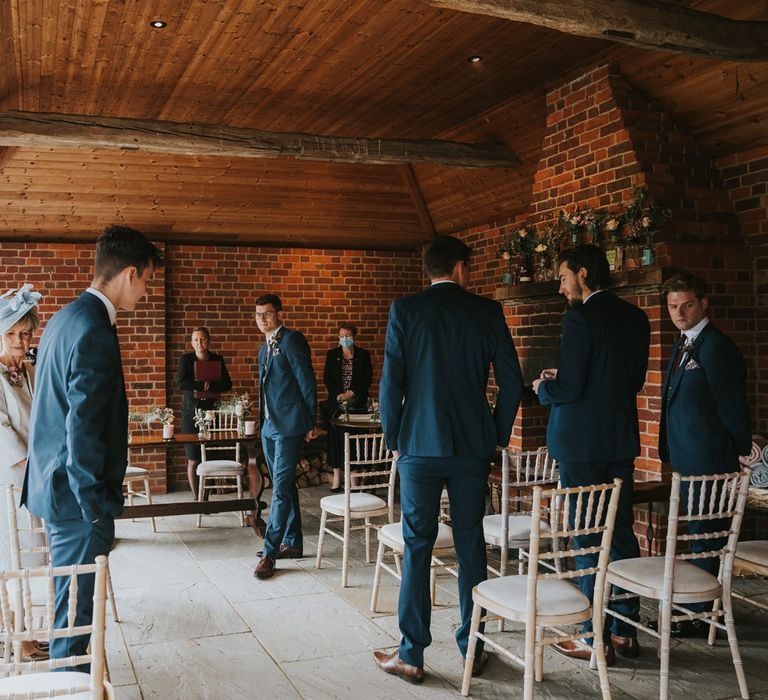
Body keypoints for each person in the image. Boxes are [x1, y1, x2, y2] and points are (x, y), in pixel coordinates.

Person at [373, 235, 523, 684]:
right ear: (460, 267)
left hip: (418, 444)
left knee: (418, 546)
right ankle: (472, 650)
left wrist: (393, 436)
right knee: (470, 543)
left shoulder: (405, 310)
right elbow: (512, 383)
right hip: (472, 448)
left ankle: (412, 654)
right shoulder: (488, 311)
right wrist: (493, 433)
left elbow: (390, 382)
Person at [22, 225, 163, 669]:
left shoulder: (64, 318)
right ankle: (70, 685)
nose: (146, 292)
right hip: (76, 499)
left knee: (73, 605)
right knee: (77, 617)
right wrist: (95, 506)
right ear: (129, 274)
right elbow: (80, 429)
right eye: (147, 282)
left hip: (53, 487)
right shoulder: (94, 330)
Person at [532, 244, 650, 665]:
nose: (562, 287)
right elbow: (629, 379)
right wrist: (567, 378)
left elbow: (571, 389)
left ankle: (590, 635)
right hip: (619, 440)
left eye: (564, 277)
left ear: (584, 274)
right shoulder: (637, 318)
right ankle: (625, 630)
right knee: (619, 534)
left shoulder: (579, 317)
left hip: (581, 446)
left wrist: (545, 387)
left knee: (585, 536)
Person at [658, 271, 751, 636]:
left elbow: (733, 409)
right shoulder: (683, 343)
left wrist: (740, 453)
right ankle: (699, 608)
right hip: (686, 456)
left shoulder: (717, 347)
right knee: (697, 535)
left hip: (710, 460)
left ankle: (699, 616)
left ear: (704, 303)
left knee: (706, 537)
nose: (679, 313)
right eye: (673, 306)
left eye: (687, 305)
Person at [252, 294, 317, 580]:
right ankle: (293, 542)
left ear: (279, 315)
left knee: (278, 489)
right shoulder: (263, 349)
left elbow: (307, 380)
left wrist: (310, 420)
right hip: (269, 427)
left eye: (267, 314)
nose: (262, 319)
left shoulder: (291, 340)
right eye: (258, 315)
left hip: (289, 427)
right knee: (285, 486)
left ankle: (270, 552)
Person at [0, 283, 47, 662]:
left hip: (37, 476)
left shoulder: (31, 370)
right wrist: (33, 463)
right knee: (12, 560)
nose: (20, 340)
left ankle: (24, 631)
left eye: (25, 333)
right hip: (11, 479)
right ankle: (15, 637)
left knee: (31, 558)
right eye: (13, 333)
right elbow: (2, 431)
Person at [175, 326, 232, 497]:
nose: (200, 342)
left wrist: (211, 385)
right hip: (191, 413)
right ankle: (198, 498)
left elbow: (227, 384)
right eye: (196, 340)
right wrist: (201, 384)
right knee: (193, 458)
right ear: (192, 343)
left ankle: (208, 493)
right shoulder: (186, 360)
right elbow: (180, 383)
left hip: (211, 413)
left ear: (209, 341)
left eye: (203, 339)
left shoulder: (217, 359)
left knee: (211, 455)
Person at [322, 323, 373, 491]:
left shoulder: (363, 355)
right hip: (336, 404)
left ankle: (353, 478)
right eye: (342, 336)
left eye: (348, 336)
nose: (345, 339)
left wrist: (351, 393)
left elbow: (367, 378)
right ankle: (337, 477)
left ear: (354, 337)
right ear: (338, 338)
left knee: (354, 440)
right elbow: (327, 377)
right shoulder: (332, 355)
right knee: (335, 440)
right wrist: (338, 394)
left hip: (356, 404)